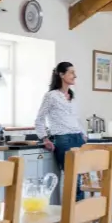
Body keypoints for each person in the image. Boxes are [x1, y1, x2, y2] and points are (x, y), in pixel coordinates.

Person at [35, 62, 88, 202]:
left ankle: (81, 218)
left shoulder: (72, 96)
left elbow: (77, 119)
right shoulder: (51, 96)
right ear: (61, 74)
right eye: (71, 72)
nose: (74, 75)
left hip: (79, 139)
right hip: (63, 140)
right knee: (74, 180)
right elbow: (40, 119)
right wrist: (45, 139)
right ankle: (74, 219)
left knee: (81, 180)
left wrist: (84, 135)